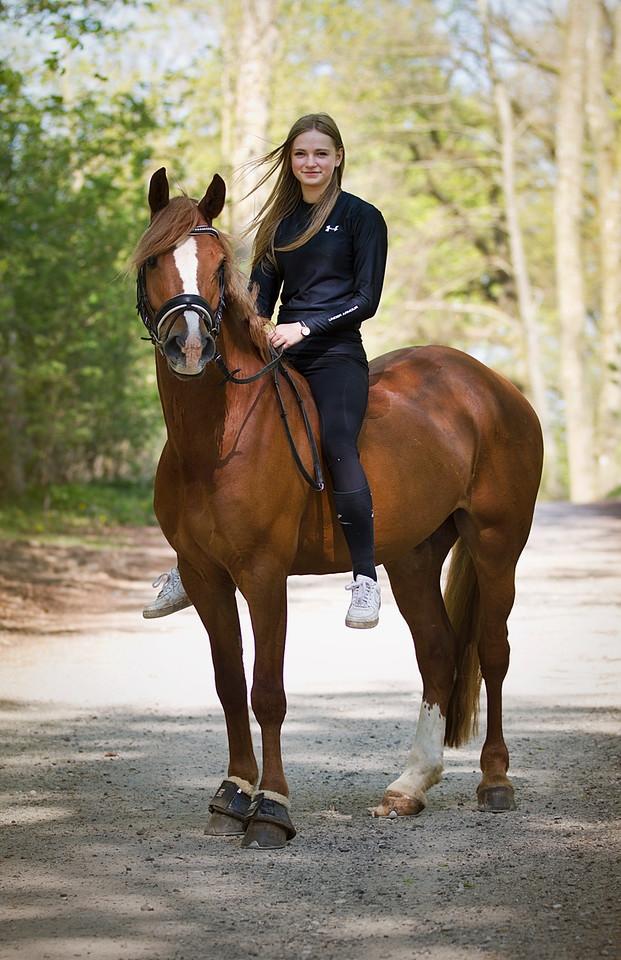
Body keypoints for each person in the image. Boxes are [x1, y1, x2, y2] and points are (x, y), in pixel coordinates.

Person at [144, 113, 388, 628]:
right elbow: (258, 297)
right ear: (291, 160)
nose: (311, 162)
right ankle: (194, 561)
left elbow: (367, 299)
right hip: (279, 353)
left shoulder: (363, 218)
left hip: (335, 355)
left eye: (321, 153)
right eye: (302, 154)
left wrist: (305, 328)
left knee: (340, 442)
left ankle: (365, 577)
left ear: (338, 157)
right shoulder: (281, 225)